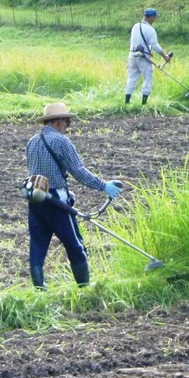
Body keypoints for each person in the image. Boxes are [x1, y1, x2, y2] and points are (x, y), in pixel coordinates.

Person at [25, 102, 122, 289]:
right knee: (75, 244)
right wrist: (104, 186)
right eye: (68, 122)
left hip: (36, 198)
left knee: (38, 243)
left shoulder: (32, 142)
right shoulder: (61, 142)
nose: (67, 127)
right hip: (56, 201)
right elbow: (78, 171)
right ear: (60, 121)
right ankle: (85, 289)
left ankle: (39, 289)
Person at [125, 8, 172, 105]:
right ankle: (144, 104)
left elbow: (137, 41)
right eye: (154, 18)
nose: (154, 20)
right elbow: (155, 45)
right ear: (150, 17)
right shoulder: (150, 30)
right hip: (143, 58)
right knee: (148, 78)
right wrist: (165, 56)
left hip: (132, 55)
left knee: (131, 78)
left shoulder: (135, 26)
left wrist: (148, 50)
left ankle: (126, 102)